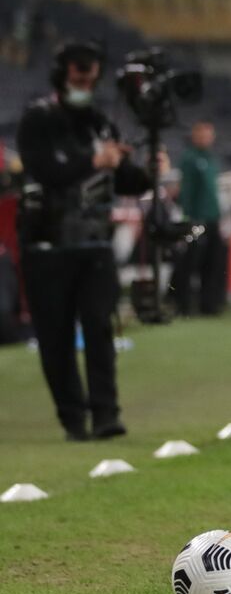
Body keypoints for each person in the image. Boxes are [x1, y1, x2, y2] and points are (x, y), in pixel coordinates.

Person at [16, 39, 150, 440]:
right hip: (47, 242)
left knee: (99, 328)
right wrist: (93, 160)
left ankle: (106, 414)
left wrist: (147, 171)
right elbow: (45, 171)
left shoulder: (99, 123)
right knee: (55, 336)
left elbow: (124, 181)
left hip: (94, 242)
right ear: (63, 75)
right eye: (79, 78)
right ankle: (73, 418)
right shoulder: (38, 120)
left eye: (90, 80)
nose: (85, 86)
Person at [172, 120, 226, 316]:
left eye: (208, 135)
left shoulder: (211, 159)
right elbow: (186, 191)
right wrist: (189, 216)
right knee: (190, 261)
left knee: (213, 263)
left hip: (212, 218)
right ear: (194, 136)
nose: (206, 139)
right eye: (202, 135)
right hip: (197, 219)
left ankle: (209, 305)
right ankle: (183, 304)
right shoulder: (190, 159)